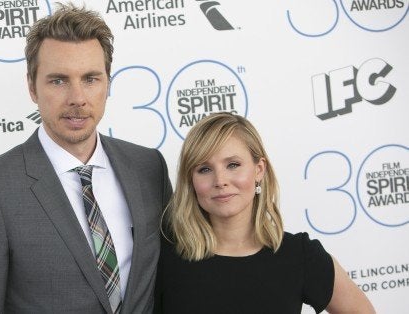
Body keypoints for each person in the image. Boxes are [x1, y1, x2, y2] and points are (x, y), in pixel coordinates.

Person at [0, 3, 172, 313]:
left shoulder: (149, 167)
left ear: (108, 83)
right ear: (32, 87)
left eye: (91, 79)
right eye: (58, 80)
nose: (77, 98)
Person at [155, 113, 374, 313]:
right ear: (191, 181)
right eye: (204, 169)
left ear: (259, 170)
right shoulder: (163, 258)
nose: (220, 181)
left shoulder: (300, 255)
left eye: (233, 164)